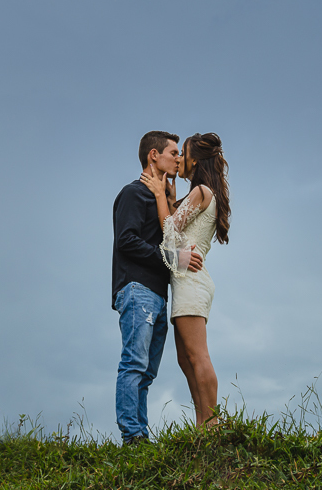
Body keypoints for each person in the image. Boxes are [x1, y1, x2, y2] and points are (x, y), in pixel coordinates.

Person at [112, 131, 203, 445]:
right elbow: (126, 241)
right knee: (134, 364)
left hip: (157, 295)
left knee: (147, 372)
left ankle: (140, 436)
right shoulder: (134, 193)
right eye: (173, 153)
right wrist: (174, 259)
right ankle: (132, 436)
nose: (178, 159)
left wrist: (168, 200)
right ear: (154, 155)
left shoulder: (156, 197)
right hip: (137, 289)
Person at [140, 132, 230, 427]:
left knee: (198, 356)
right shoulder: (198, 193)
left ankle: (211, 424)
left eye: (183, 154)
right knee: (185, 358)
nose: (178, 159)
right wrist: (169, 195)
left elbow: (169, 230)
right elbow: (173, 224)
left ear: (195, 161)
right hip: (186, 281)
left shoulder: (201, 191)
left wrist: (158, 194)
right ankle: (203, 424)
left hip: (191, 280)